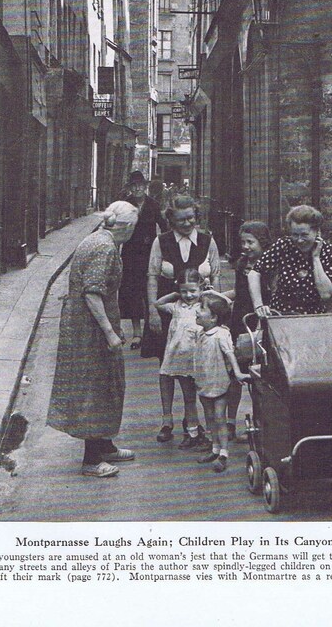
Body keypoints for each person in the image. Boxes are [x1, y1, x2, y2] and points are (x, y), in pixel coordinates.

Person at [46, 201, 139, 479]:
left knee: (107, 383)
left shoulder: (96, 238)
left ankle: (105, 444)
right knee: (95, 388)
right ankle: (91, 459)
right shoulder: (106, 248)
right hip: (91, 331)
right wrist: (110, 332)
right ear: (127, 226)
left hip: (85, 326)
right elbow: (92, 293)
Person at [144, 194, 221, 444]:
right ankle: (167, 420)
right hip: (169, 314)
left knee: (197, 368)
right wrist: (152, 312)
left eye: (191, 218)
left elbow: (217, 277)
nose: (187, 224)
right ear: (171, 221)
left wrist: (215, 312)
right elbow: (152, 276)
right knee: (166, 368)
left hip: (200, 316)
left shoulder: (208, 241)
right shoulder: (161, 241)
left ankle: (194, 421)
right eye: (181, 220)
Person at [223, 221, 272, 442]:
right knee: (234, 373)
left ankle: (260, 423)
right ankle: (230, 422)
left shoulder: (269, 266)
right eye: (243, 242)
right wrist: (221, 296)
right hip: (239, 322)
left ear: (262, 242)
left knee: (259, 374)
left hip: (258, 321)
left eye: (250, 242)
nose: (246, 246)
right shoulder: (242, 263)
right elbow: (238, 290)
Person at [248, 205, 332, 317]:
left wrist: (316, 258)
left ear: (317, 232)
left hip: (314, 318)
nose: (299, 240)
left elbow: (325, 294)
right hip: (281, 315)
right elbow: (254, 273)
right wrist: (258, 305)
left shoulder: (331, 253)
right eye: (295, 235)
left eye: (304, 235)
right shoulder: (284, 246)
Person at [193, 291, 250, 473]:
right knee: (209, 417)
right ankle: (215, 448)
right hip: (204, 382)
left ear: (213, 317)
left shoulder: (221, 334)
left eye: (201, 308)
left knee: (219, 417)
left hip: (219, 383)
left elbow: (230, 354)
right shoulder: (201, 334)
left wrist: (238, 372)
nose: (197, 311)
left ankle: (224, 453)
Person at [154, 268, 206, 449]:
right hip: (180, 360)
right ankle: (192, 433)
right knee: (189, 398)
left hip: (198, 358)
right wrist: (175, 293)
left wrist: (206, 292)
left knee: (206, 397)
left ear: (200, 288)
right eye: (184, 291)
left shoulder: (205, 307)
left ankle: (202, 432)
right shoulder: (176, 306)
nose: (188, 295)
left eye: (193, 291)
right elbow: (158, 303)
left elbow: (225, 301)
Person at [118, 170, 167, 349]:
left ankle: (149, 331)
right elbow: (117, 227)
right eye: (134, 185)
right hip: (130, 254)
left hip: (148, 254)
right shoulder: (125, 205)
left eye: (140, 185)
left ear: (145, 187)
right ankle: (137, 332)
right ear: (130, 188)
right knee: (132, 293)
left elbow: (163, 227)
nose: (138, 188)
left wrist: (165, 250)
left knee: (149, 292)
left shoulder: (153, 205)